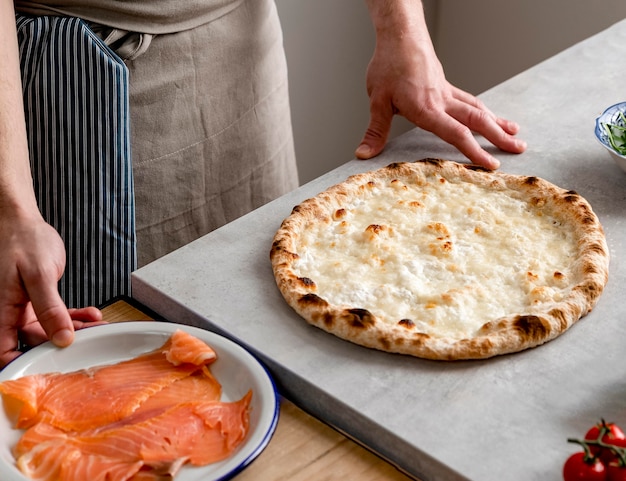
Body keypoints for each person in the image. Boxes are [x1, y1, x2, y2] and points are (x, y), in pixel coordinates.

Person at [0, 0, 526, 367]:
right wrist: (14, 211)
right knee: (109, 361)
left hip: (241, 51)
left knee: (279, 329)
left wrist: (402, 31)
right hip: (83, 86)